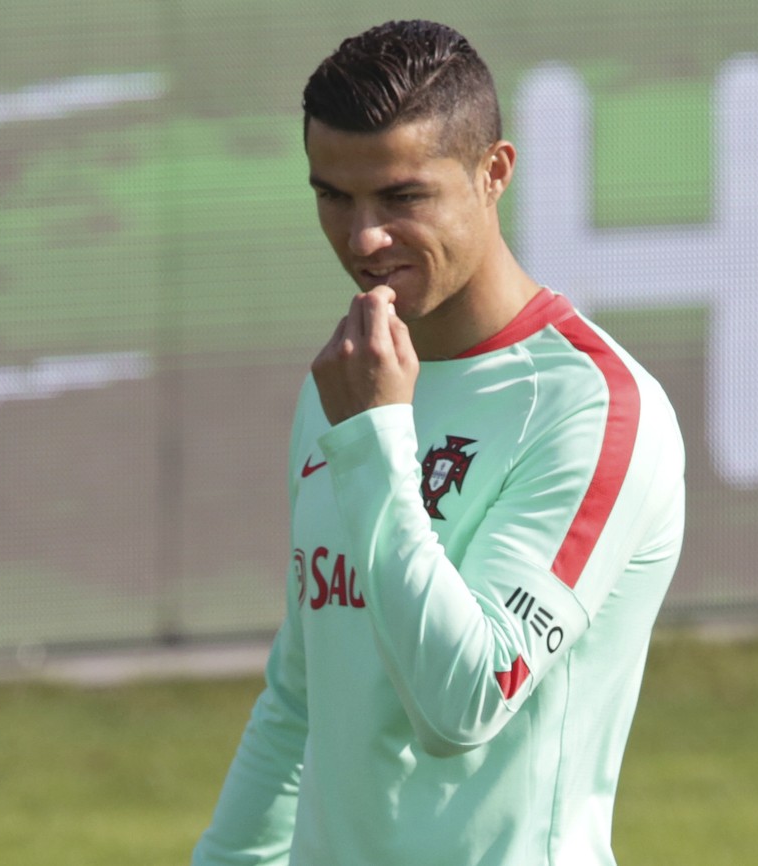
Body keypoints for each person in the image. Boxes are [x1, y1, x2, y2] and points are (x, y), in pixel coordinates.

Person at [192, 20, 686, 866]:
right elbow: (304, 695)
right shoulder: (354, 375)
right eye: (333, 196)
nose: (362, 239)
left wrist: (380, 435)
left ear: (493, 173)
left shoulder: (591, 406)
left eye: (402, 197)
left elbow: (463, 705)